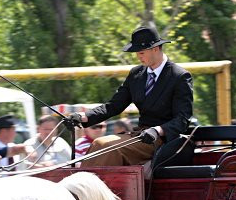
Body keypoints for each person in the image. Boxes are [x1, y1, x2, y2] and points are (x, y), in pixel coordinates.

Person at [72, 24, 194, 167]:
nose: (138, 57)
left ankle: (101, 188)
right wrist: (83, 117)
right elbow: (114, 106)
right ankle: (83, 187)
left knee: (110, 148)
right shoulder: (136, 74)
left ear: (155, 49)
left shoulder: (179, 76)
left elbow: (182, 119)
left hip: (162, 140)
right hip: (139, 135)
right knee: (98, 143)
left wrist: (157, 130)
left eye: (141, 52)